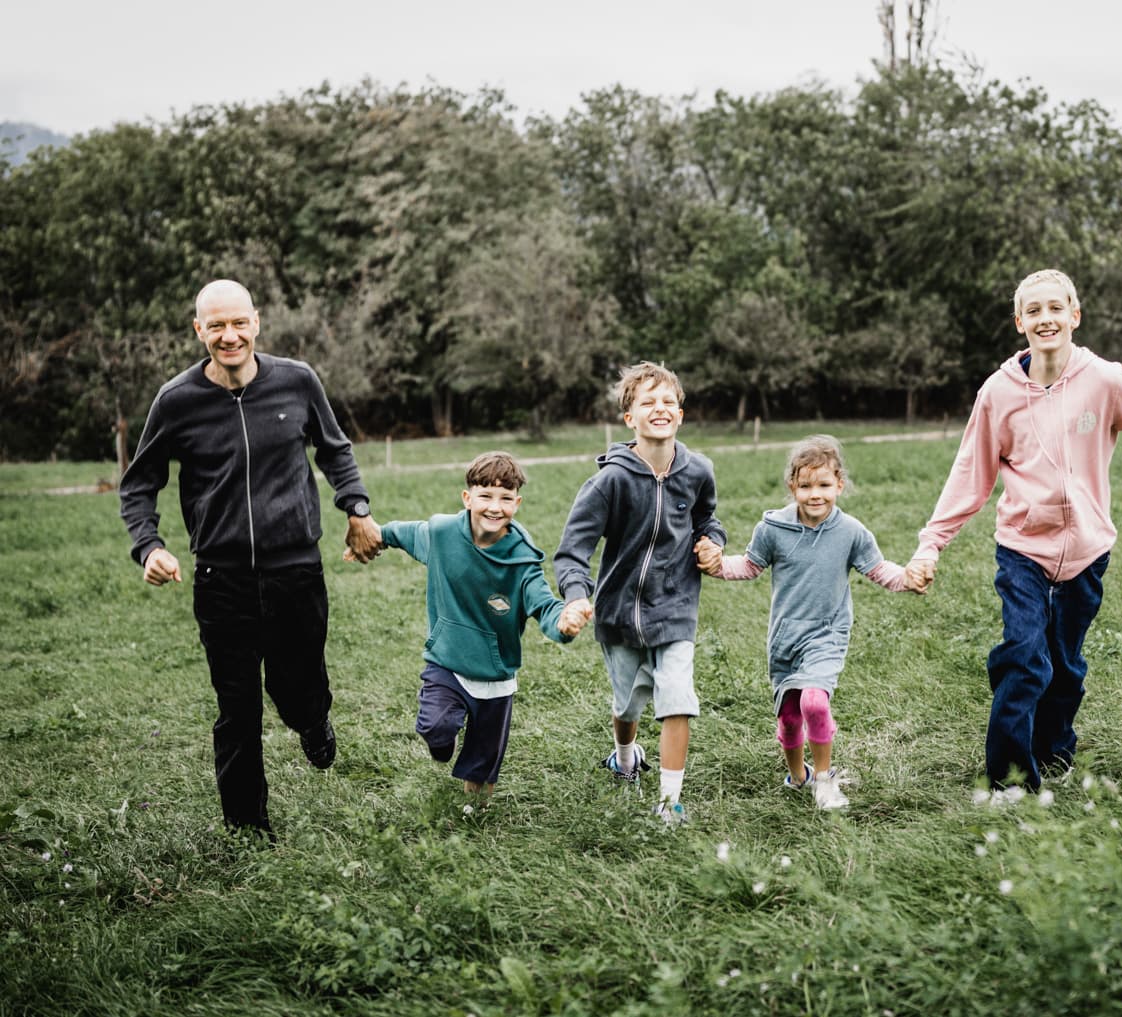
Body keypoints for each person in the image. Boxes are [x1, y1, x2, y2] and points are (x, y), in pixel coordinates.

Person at [905, 269, 1122, 793]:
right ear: (1020, 322)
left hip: (1088, 550)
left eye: (1055, 309)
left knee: (1064, 666)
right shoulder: (998, 393)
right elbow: (969, 476)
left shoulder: (1104, 380)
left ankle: (1055, 749)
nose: (1046, 319)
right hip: (1022, 549)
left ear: (1074, 315)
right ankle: (1012, 781)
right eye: (1034, 311)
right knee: (1023, 658)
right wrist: (931, 544)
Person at [118, 278, 385, 839]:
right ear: (199, 331)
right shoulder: (177, 400)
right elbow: (138, 484)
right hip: (222, 578)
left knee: (299, 687)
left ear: (256, 322)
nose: (228, 335)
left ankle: (312, 722)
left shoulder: (297, 381)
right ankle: (247, 830)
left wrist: (356, 507)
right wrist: (150, 545)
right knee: (238, 708)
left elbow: (335, 450)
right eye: (215, 325)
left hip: (296, 570)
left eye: (238, 322)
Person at [694, 435, 915, 810]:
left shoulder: (851, 532)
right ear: (792, 486)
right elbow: (749, 565)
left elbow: (878, 569)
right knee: (791, 717)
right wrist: (715, 566)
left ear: (839, 485)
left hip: (828, 632)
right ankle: (798, 775)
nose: (816, 494)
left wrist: (909, 577)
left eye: (825, 485)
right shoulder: (773, 529)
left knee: (815, 701)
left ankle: (825, 781)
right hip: (785, 637)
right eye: (806, 485)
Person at [553, 362, 726, 826]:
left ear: (681, 414)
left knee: (677, 696)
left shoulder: (698, 471)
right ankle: (626, 757)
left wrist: (714, 544)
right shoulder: (609, 481)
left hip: (675, 606)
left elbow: (708, 520)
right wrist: (575, 595)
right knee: (627, 703)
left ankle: (671, 803)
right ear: (629, 417)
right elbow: (573, 551)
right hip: (617, 613)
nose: (660, 409)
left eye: (668, 401)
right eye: (648, 402)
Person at [366, 451, 586, 798]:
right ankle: (443, 742)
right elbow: (403, 533)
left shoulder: (522, 562)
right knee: (436, 727)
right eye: (485, 496)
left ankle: (476, 814)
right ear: (467, 498)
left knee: (484, 760)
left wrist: (563, 622)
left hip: (495, 674)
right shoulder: (442, 534)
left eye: (505, 498)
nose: (494, 507)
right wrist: (372, 537)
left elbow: (544, 605)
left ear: (518, 502)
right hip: (447, 659)